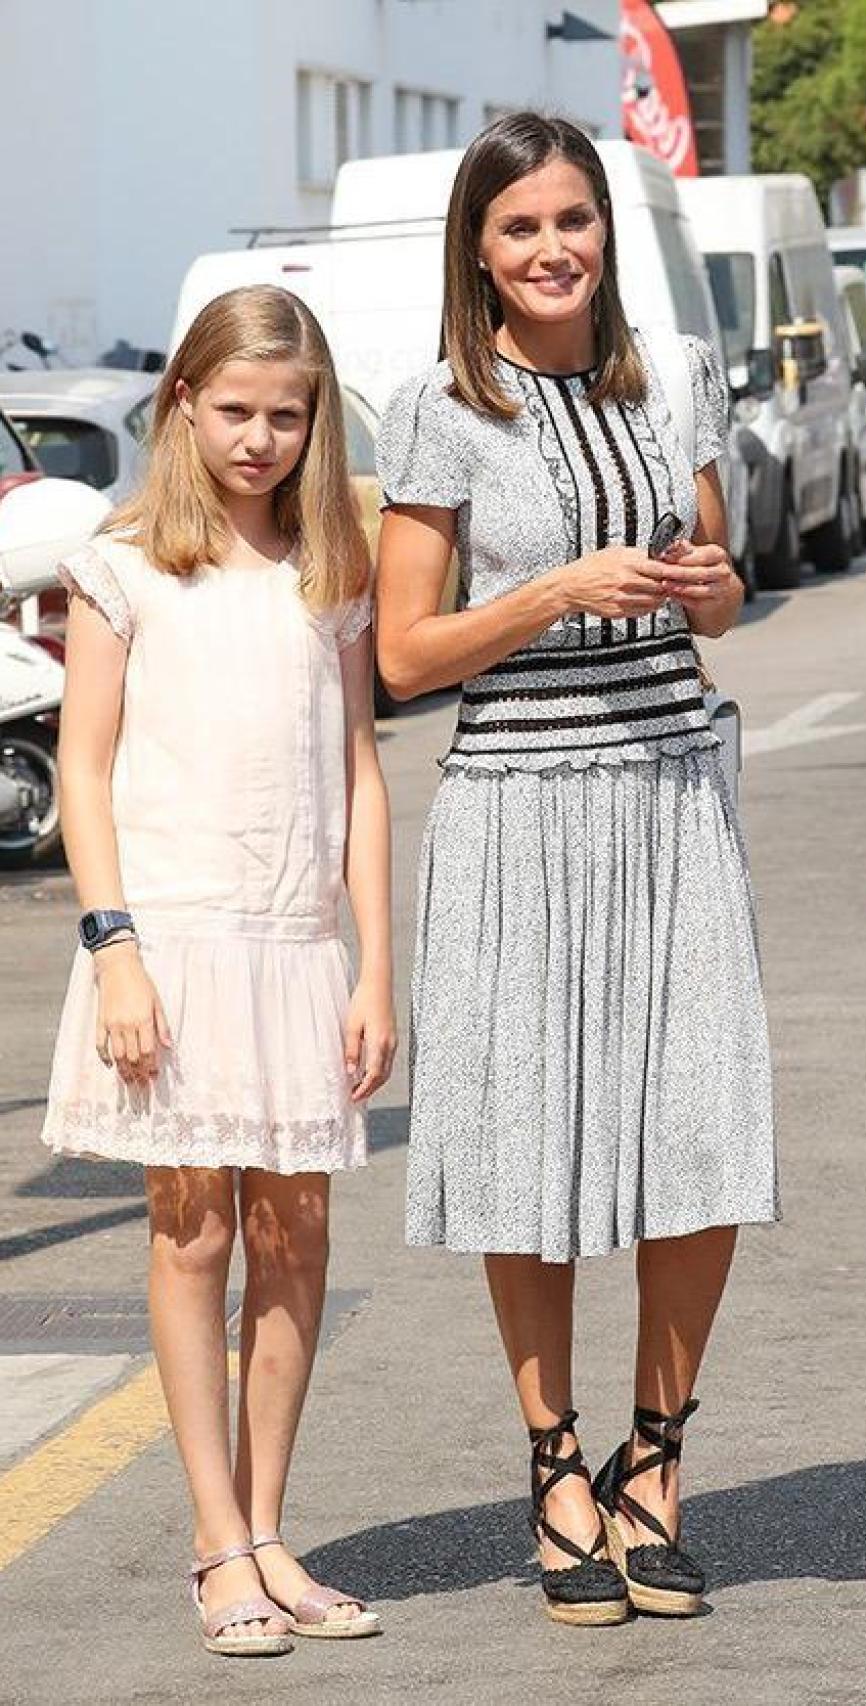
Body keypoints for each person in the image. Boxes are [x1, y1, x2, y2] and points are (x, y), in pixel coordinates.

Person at [376, 112, 777, 1627]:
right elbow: (408, 655)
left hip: (674, 789)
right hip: (519, 807)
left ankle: (656, 1460)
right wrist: (551, 589)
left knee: (703, 1123)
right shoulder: (436, 407)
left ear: (607, 229)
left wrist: (711, 585)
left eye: (575, 222)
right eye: (522, 227)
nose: (554, 251)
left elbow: (726, 593)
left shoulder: (677, 373)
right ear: (477, 248)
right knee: (530, 1147)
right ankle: (553, 1463)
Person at [41, 286, 396, 1657]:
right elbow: (83, 767)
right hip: (172, 945)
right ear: (182, 402)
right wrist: (114, 946)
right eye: (237, 409)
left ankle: (269, 1523)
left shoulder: (332, 569)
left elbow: (361, 772)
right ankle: (214, 1537)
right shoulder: (126, 564)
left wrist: (375, 966)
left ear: (316, 425)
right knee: (191, 1233)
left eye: (288, 417)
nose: (261, 439)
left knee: (295, 1236)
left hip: (299, 942)